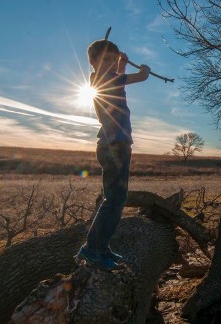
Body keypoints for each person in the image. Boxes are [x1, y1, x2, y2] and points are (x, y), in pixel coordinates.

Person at [75, 39, 150, 270]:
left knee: (114, 198)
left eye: (112, 59)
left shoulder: (103, 79)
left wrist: (122, 65)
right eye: (105, 59)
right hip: (114, 145)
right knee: (115, 200)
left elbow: (119, 83)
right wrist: (143, 71)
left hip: (117, 144)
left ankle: (100, 246)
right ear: (93, 62)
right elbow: (139, 78)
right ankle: (92, 249)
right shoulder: (105, 78)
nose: (110, 64)